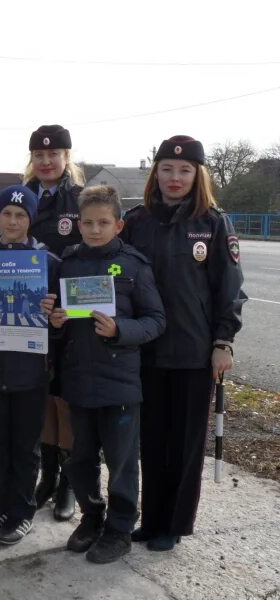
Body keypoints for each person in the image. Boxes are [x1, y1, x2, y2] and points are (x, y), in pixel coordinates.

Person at [120, 136, 247, 551]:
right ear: (155, 172)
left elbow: (229, 288)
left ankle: (174, 524)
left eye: (185, 170)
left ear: (198, 175)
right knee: (152, 441)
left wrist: (223, 341)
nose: (175, 178)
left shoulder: (212, 222)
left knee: (186, 443)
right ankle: (151, 518)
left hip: (194, 352)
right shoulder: (136, 221)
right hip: (146, 351)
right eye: (167, 169)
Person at [43, 185, 166, 563]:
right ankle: (92, 517)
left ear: (119, 224)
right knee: (79, 459)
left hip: (120, 384)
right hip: (79, 381)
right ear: (77, 224)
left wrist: (120, 330)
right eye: (88, 223)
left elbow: (156, 320)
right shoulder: (70, 263)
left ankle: (119, 529)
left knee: (122, 463)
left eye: (103, 223)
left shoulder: (134, 265)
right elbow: (58, 328)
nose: (95, 230)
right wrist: (56, 320)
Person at [0, 185, 61, 545]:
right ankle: (0, 506)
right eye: (7, 213)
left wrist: (54, 313)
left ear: (30, 219)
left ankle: (22, 511)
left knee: (25, 447)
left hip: (30, 373)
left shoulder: (47, 262)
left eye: (21, 215)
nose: (13, 221)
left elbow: (62, 321)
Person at [24, 124, 85, 521]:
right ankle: (47, 475)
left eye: (54, 154)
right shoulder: (23, 195)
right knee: (42, 396)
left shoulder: (79, 199)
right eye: (40, 155)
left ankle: (69, 483)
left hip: (70, 314)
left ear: (66, 156)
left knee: (68, 396)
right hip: (29, 314)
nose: (47, 162)